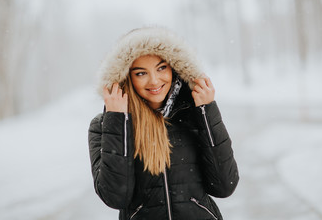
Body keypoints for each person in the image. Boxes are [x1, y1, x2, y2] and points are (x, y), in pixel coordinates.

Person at [88, 27, 239, 220]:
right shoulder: (104, 126)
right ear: (126, 77)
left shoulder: (194, 114)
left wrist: (205, 110)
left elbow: (225, 185)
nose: (154, 80)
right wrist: (117, 120)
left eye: (161, 68)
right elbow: (115, 197)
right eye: (141, 73)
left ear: (174, 68)